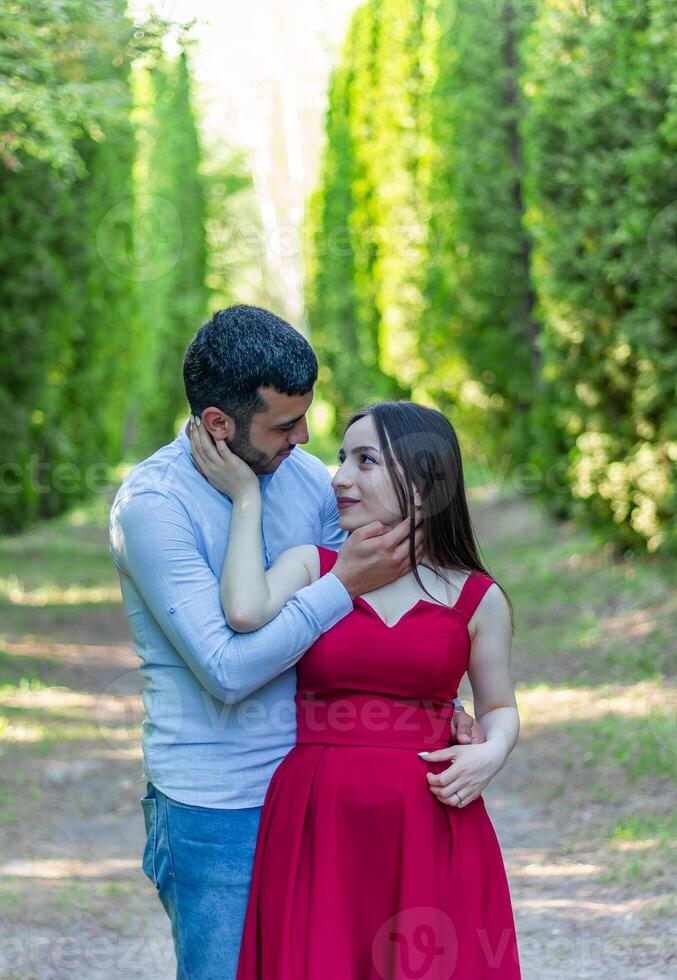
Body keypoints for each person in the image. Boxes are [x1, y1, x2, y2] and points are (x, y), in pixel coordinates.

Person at [109, 305, 485, 980]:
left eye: (306, 415)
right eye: (285, 424)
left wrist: (434, 698)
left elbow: (384, 604)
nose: (306, 435)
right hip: (218, 806)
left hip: (319, 796)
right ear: (219, 424)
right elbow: (226, 670)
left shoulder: (310, 479)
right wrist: (339, 584)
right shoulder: (153, 507)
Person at [188, 398, 522, 978]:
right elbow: (243, 610)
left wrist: (492, 751)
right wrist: (248, 498)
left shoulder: (476, 597)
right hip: (320, 821)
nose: (339, 477)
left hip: (430, 822)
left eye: (364, 461)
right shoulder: (313, 568)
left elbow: (498, 707)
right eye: (342, 458)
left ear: (424, 483)